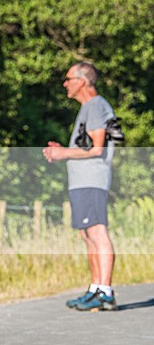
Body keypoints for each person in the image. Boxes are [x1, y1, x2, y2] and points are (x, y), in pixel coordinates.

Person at [43, 61, 117, 311]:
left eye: (68, 79)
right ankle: (95, 288)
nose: (65, 84)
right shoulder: (89, 108)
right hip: (82, 182)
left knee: (97, 232)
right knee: (87, 234)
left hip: (92, 180)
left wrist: (64, 154)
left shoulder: (96, 106)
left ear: (82, 81)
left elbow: (97, 149)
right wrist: (63, 151)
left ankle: (105, 292)